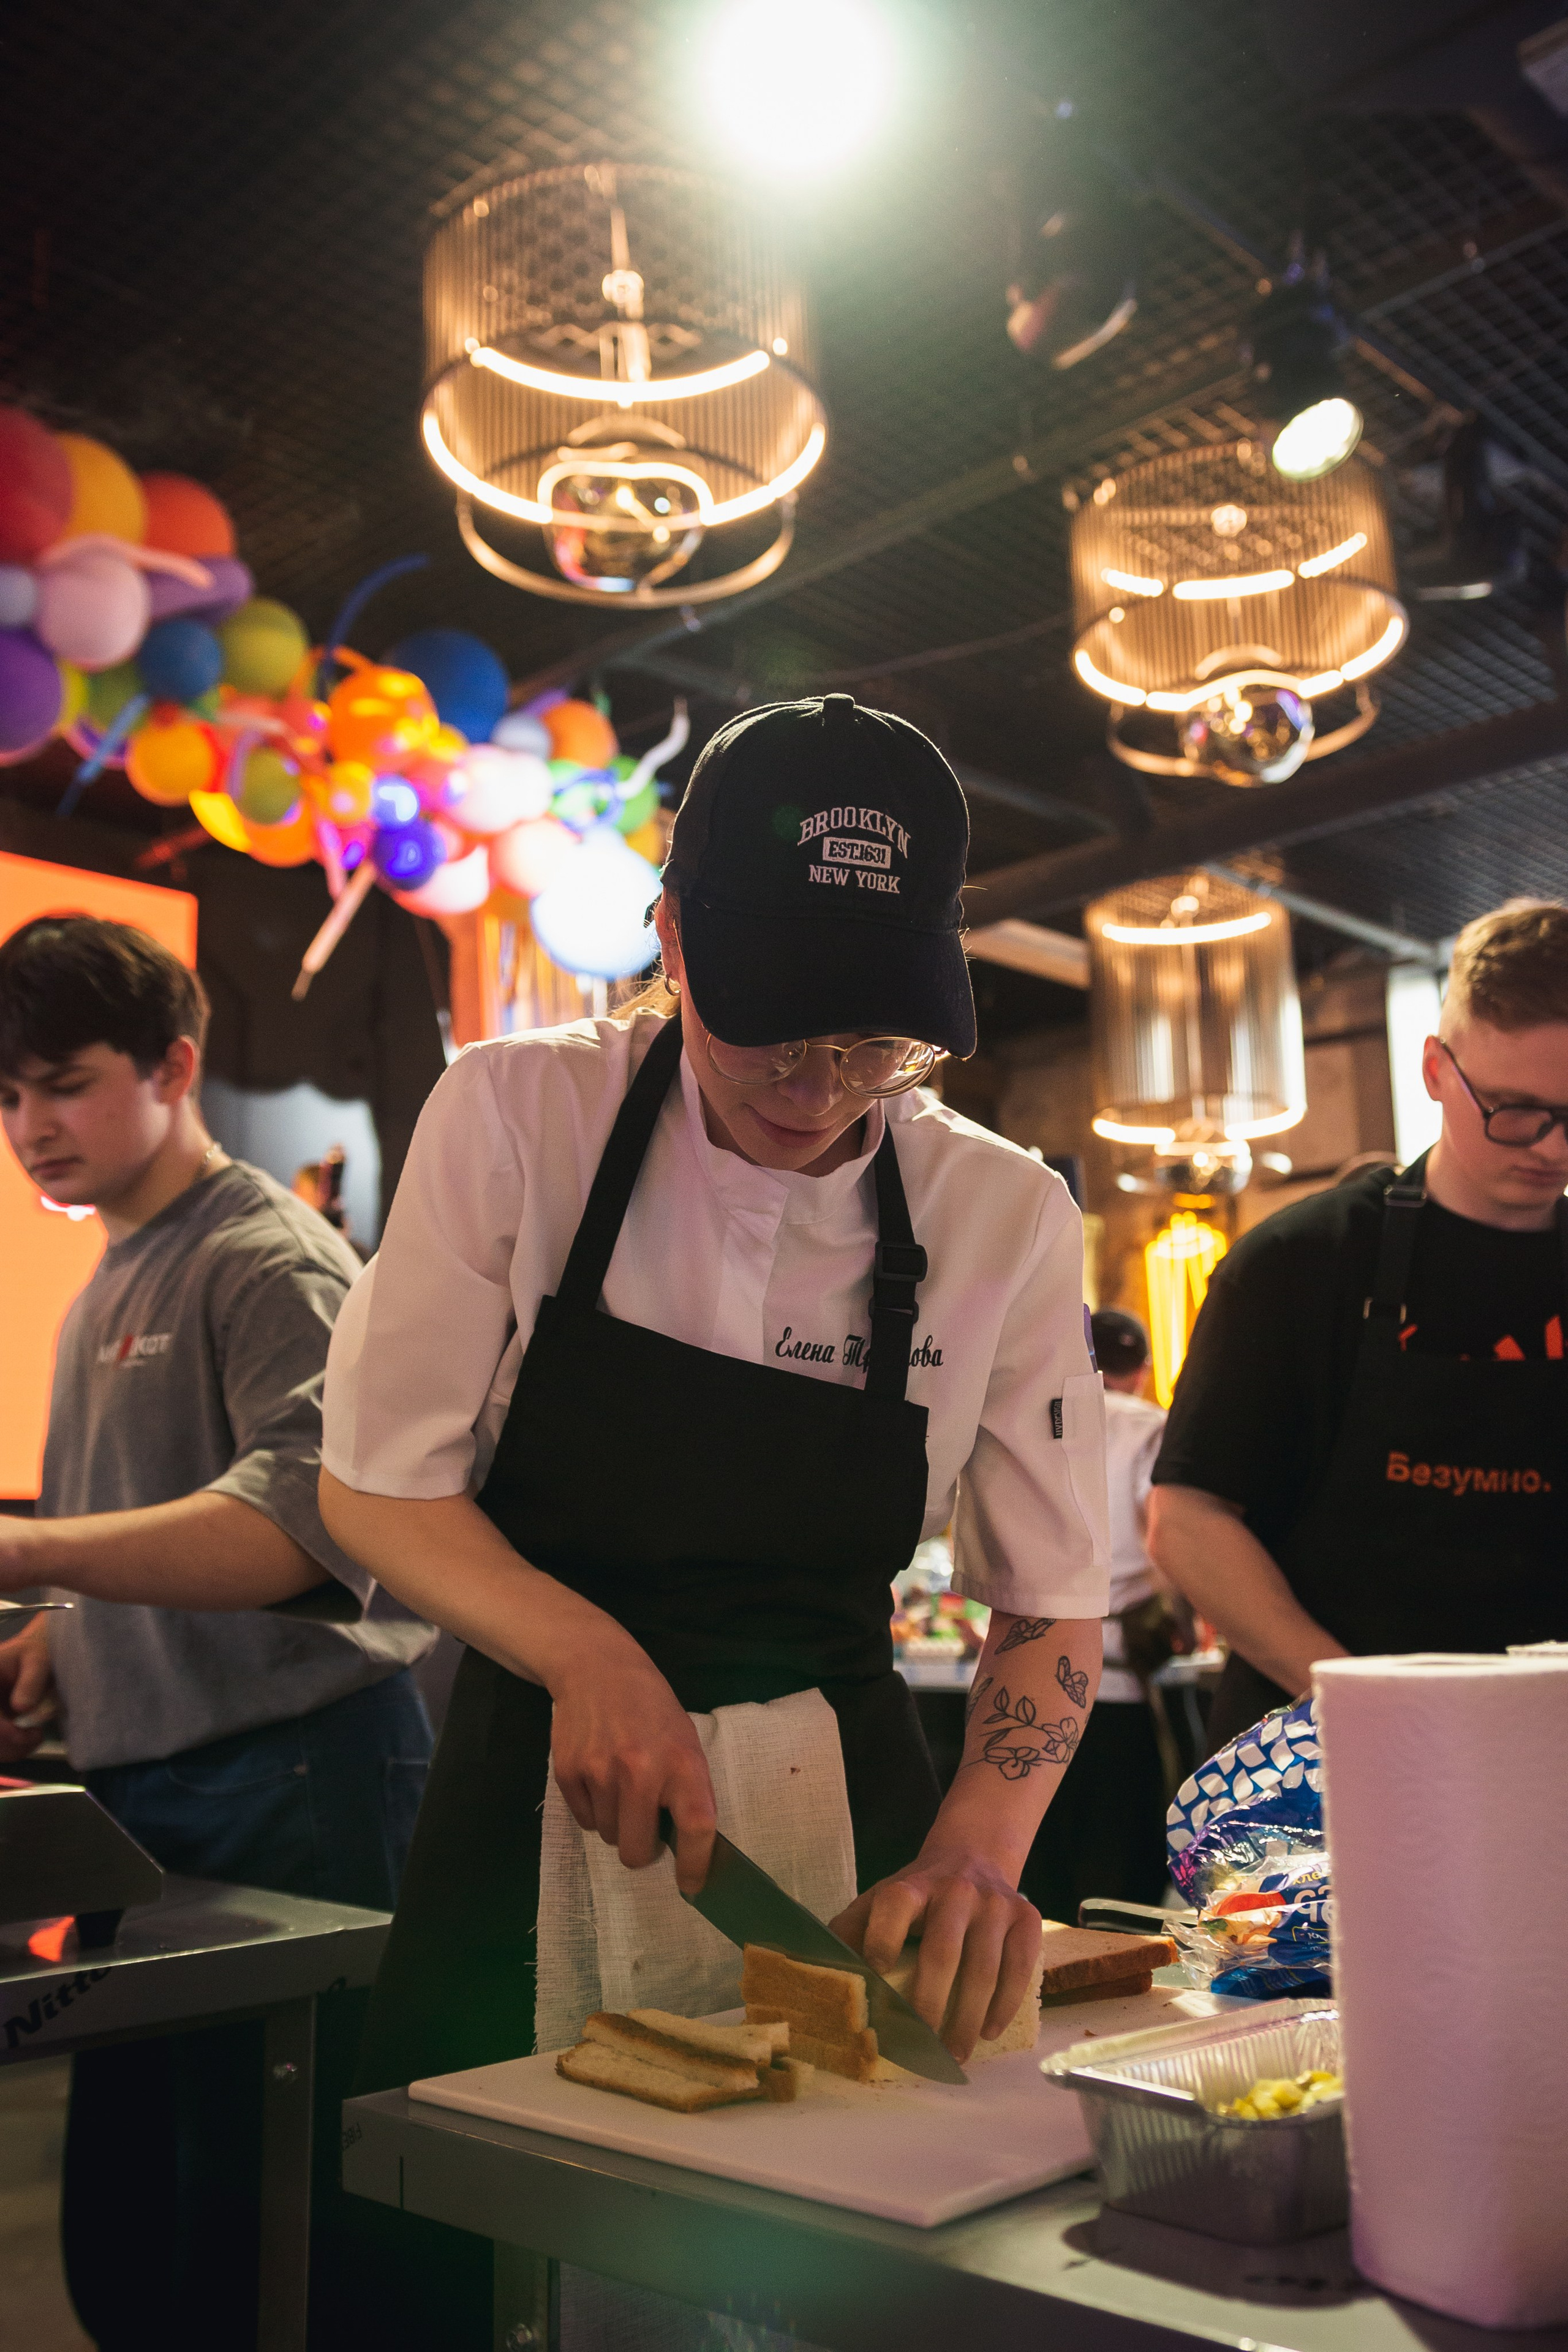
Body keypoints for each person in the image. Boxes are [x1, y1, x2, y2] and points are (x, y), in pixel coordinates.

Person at [318, 693, 1110, 2346]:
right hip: (538, 1790)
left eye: (874, 1048)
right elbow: (376, 1485)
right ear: (671, 938)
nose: (820, 1093)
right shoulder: (517, 1115)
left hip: (844, 1824)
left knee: (845, 2295)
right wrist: (583, 1650)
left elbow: (1050, 1600)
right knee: (464, 2278)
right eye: (774, 1039)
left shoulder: (1003, 1213)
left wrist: (976, 1851)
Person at [0, 913, 436, 2351]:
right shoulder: (105, 1278)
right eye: (8, 1094)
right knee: (134, 2238)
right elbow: (156, 1533)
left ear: (174, 1066)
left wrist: (25, 1550)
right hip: (144, 1806)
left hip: (292, 1783)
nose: (31, 1125)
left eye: (65, 1083)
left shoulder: (266, 1258)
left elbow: (302, 1526)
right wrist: (63, 1636)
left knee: (274, 2246)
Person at [1149, 899, 1568, 1751]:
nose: (1551, 1148)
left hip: (1542, 1743)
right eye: (1515, 1108)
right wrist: (1365, 1704)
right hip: (1318, 1751)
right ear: (1436, 1069)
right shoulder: (1300, 1260)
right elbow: (1187, 1521)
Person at [1020, 1308, 1171, 1920]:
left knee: (1039, 1873)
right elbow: (1166, 1536)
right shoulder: (1148, 1424)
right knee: (1121, 1880)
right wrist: (1182, 1615)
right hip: (1116, 1680)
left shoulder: (1032, 1411)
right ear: (1141, 1371)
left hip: (1023, 1675)